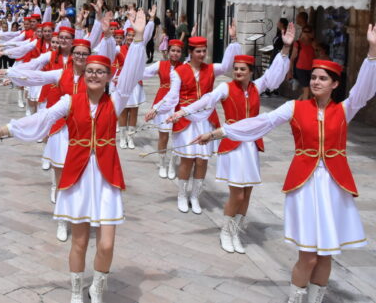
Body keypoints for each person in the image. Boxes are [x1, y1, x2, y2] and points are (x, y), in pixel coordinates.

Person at [192, 24, 376, 303]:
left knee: (325, 254)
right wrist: (220, 132)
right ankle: (295, 299)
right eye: (313, 77)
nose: (315, 82)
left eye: (322, 79)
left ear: (335, 84)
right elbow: (260, 122)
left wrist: (372, 51)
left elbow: (363, 91)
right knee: (308, 256)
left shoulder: (344, 110)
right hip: (305, 185)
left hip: (334, 187)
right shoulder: (295, 108)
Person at [0, 10, 148, 303]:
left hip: (107, 176)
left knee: (106, 244)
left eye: (100, 71)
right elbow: (40, 120)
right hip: (79, 174)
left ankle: (99, 285)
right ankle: (75, 291)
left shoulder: (116, 99)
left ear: (108, 77)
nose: (94, 75)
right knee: (80, 241)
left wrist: (140, 37)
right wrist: (4, 130)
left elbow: (132, 69)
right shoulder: (70, 101)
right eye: (90, 70)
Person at [171, 24, 293, 254]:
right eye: (235, 69)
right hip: (233, 145)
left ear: (250, 71)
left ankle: (236, 231)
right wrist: (183, 112)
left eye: (242, 69)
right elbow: (206, 100)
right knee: (236, 192)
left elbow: (274, 75)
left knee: (247, 192)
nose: (237, 72)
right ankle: (225, 231)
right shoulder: (225, 88)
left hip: (251, 145)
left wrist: (285, 48)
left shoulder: (257, 87)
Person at [146, 23, 240, 214]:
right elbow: (173, 96)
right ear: (190, 52)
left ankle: (195, 197)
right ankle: (182, 194)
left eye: (204, 51)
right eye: (198, 51)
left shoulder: (211, 69)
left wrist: (233, 40)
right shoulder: (179, 72)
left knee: (202, 160)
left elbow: (228, 65)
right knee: (187, 159)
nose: (202, 55)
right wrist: (157, 109)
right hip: (186, 120)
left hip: (206, 119)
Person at [142, 38, 185, 179]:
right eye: (173, 50)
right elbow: (144, 73)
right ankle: (162, 163)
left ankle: (173, 163)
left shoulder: (185, 66)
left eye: (178, 51)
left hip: (179, 102)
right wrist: (126, 75)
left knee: (178, 135)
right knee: (163, 134)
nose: (175, 53)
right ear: (168, 51)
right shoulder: (161, 64)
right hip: (162, 100)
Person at [291, 27, 315, 100]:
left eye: (310, 31)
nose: (308, 33)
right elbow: (292, 58)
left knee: (310, 91)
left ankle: (299, 103)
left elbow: (317, 54)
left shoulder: (313, 43)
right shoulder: (298, 43)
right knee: (306, 89)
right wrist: (290, 71)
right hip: (300, 69)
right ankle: (304, 108)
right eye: (306, 32)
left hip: (311, 69)